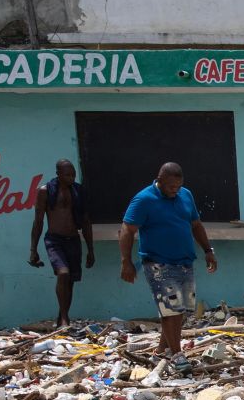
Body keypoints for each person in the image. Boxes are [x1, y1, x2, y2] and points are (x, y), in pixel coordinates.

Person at [119, 162, 217, 376]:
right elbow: (127, 229)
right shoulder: (144, 199)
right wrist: (126, 261)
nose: (175, 190)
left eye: (178, 186)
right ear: (160, 180)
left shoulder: (185, 195)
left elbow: (196, 224)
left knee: (180, 310)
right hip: (158, 263)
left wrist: (207, 250)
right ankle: (177, 354)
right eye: (171, 186)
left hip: (185, 261)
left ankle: (162, 350)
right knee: (170, 309)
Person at [29, 159, 95, 328]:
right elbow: (38, 221)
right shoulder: (45, 191)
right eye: (67, 175)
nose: (71, 178)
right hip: (54, 240)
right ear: (58, 174)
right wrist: (33, 250)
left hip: (73, 239)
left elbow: (86, 221)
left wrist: (90, 250)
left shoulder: (78, 191)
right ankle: (65, 318)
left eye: (73, 175)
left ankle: (62, 317)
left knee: (70, 280)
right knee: (63, 273)